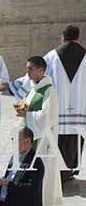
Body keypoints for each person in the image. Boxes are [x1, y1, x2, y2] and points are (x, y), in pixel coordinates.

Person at [8, 25, 86, 181]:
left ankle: (59, 175)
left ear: (62, 38)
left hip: (56, 107)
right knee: (74, 141)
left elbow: (34, 75)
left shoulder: (52, 56)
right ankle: (69, 171)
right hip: (80, 108)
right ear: (78, 38)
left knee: (57, 141)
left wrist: (12, 86)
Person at [16, 56, 63, 206]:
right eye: (27, 68)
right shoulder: (34, 89)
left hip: (43, 141)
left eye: (30, 69)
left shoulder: (49, 92)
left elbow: (47, 118)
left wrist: (27, 114)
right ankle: (30, 204)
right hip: (32, 138)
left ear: (41, 70)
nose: (27, 72)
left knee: (42, 172)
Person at [0, 127, 44, 206]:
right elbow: (11, 177)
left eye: (16, 140)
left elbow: (32, 189)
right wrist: (1, 181)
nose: (13, 143)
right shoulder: (14, 157)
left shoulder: (35, 162)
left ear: (27, 141)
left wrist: (8, 184)